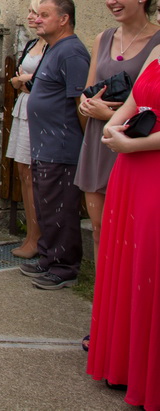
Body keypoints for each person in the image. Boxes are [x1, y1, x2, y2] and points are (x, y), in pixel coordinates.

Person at [87, 44, 160, 410]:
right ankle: (126, 366)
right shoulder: (157, 49)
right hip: (129, 169)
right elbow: (133, 101)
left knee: (150, 266)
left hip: (153, 166)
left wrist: (135, 144)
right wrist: (113, 128)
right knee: (129, 266)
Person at [76, 0, 160, 250]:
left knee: (130, 231)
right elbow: (87, 90)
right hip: (99, 140)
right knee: (99, 228)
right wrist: (86, 106)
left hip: (138, 141)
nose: (111, 1)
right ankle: (102, 282)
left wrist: (109, 114)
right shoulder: (104, 38)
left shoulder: (158, 42)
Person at [20, 0, 90, 290]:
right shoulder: (53, 48)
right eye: (37, 14)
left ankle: (65, 268)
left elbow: (81, 103)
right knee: (47, 207)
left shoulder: (72, 52)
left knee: (61, 209)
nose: (37, 19)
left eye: (44, 15)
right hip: (45, 146)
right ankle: (49, 258)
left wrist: (87, 147)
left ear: (64, 19)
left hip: (62, 147)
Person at [5, 0, 49, 258]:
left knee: (35, 175)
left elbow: (42, 81)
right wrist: (22, 80)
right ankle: (31, 234)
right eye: (31, 12)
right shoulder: (33, 43)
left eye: (36, 12)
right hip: (23, 107)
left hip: (39, 111)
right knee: (23, 172)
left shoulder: (54, 47)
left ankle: (38, 238)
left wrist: (25, 80)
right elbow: (17, 79)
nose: (31, 17)